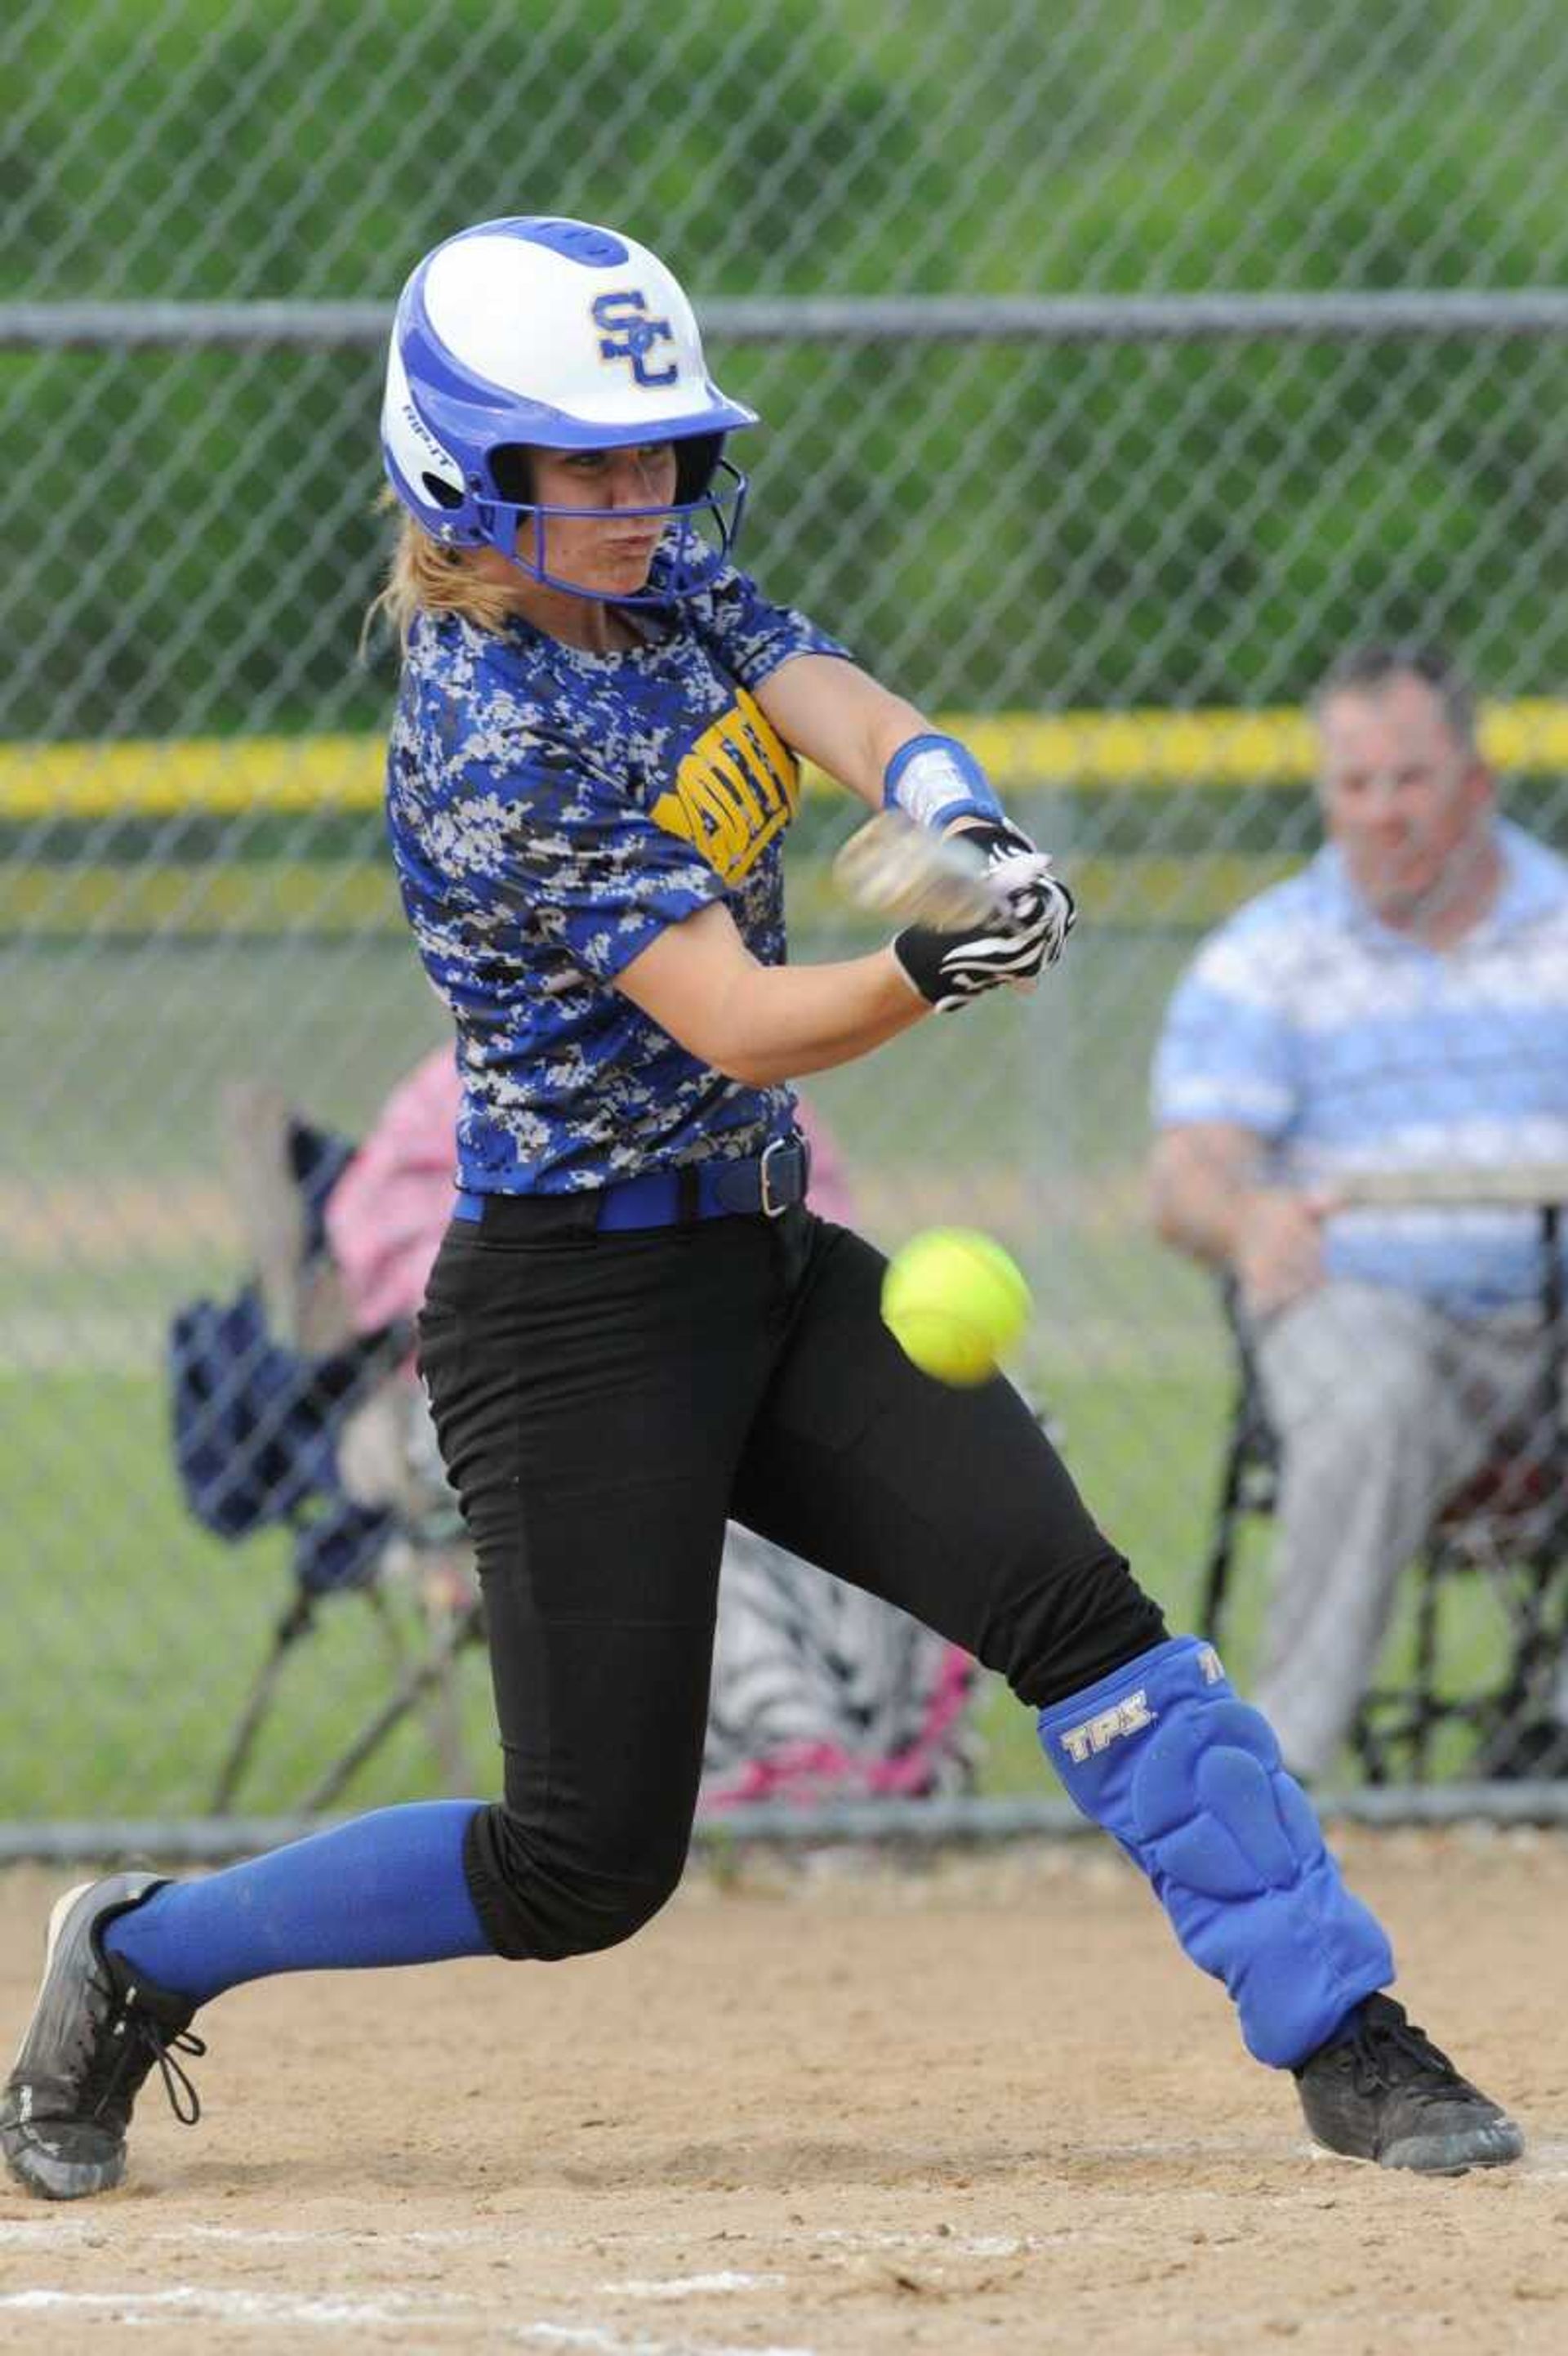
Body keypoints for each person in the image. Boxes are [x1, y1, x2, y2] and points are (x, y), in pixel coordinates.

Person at [2, 221, 1521, 2204]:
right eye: (591, 464)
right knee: (584, 1860)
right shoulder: (492, 739)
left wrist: (953, 800)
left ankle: (1347, 2029)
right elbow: (730, 1012)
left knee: (1083, 1611)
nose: (643, 498)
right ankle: (135, 1949)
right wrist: (940, 969)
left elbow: (816, 683)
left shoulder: (654, 583)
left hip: (767, 1259)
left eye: (658, 456)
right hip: (570, 1320)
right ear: (470, 472)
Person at [1150, 643, 1568, 1783]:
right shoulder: (1270, 955)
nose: (1383, 814)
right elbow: (1187, 1175)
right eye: (1356, 786)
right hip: (1363, 1304)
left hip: (1551, 1318)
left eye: (1411, 781)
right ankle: (1279, 1778)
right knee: (1365, 1383)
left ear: (1477, 785)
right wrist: (1248, 1226)